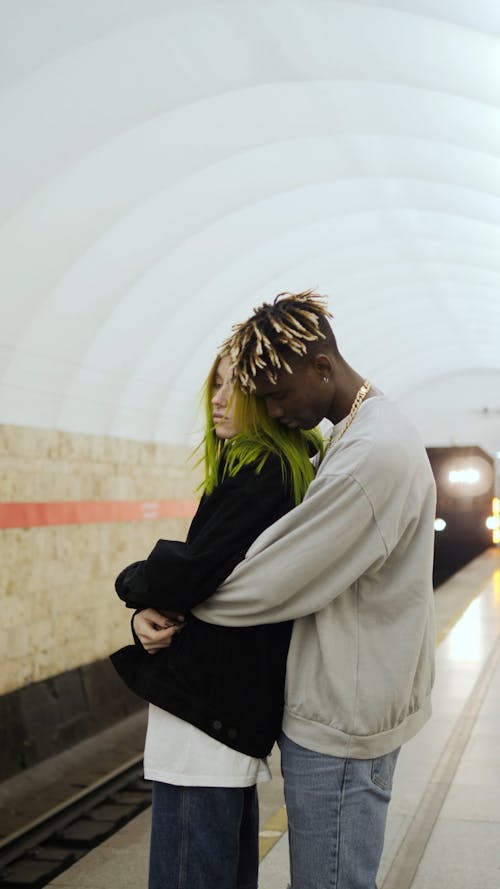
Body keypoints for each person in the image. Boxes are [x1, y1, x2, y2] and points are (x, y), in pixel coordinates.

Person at [145, 291, 437, 889]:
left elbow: (275, 581)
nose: (273, 411)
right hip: (352, 702)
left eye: (278, 394)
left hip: (343, 717)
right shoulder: (364, 429)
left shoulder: (369, 454)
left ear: (322, 367)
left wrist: (178, 602)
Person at [110, 352, 324, 889]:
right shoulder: (290, 468)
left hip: (206, 716)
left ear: (266, 396)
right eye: (215, 386)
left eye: (236, 387)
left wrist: (131, 584)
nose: (218, 400)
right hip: (230, 714)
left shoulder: (259, 471)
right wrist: (149, 610)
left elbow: (189, 574)